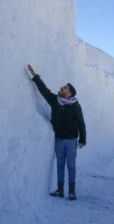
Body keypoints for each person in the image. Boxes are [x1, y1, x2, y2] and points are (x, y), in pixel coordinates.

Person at [26, 64, 86, 200]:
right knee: (59, 165)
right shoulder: (55, 101)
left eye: (64, 88)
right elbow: (44, 91)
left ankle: (72, 191)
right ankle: (60, 190)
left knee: (70, 166)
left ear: (69, 93)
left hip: (71, 140)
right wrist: (35, 76)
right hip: (59, 139)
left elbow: (81, 123)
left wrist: (82, 139)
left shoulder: (75, 106)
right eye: (63, 87)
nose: (61, 88)